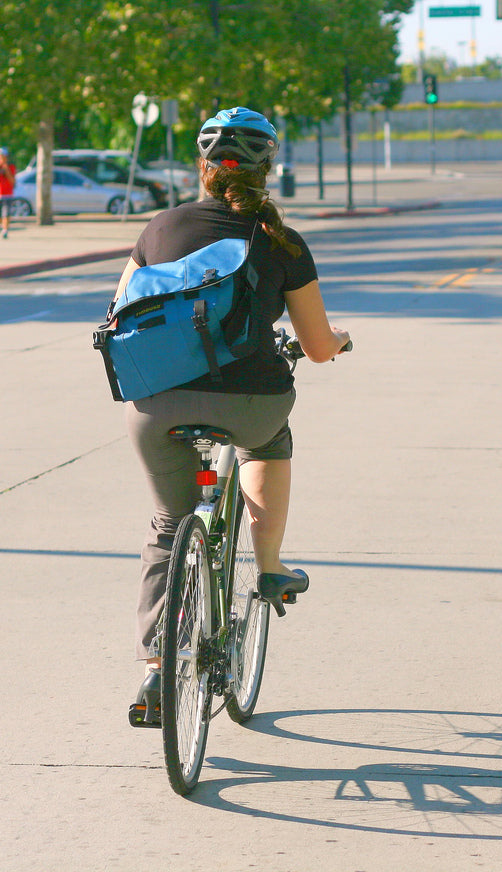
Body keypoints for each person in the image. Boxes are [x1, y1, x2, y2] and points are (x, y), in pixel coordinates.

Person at [114, 107, 351, 713]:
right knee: (269, 439)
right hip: (252, 403)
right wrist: (340, 341)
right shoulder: (282, 243)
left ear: (203, 167)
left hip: (157, 403)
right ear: (268, 168)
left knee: (169, 526)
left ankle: (156, 672)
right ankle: (269, 566)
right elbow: (318, 347)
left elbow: (119, 314)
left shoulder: (158, 229)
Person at [0, 147, 17, 238]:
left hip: (7, 195)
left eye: (4, 156)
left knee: (5, 213)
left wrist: (6, 169)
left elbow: (12, 181)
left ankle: (5, 230)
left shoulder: (11, 167)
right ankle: (3, 226)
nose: (3, 158)